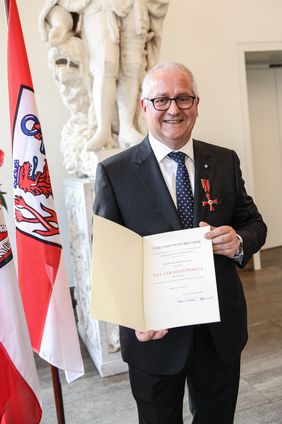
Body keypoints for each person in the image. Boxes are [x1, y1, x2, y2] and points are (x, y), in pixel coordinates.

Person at [93, 61, 267, 423]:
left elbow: (253, 224)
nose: (173, 109)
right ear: (144, 107)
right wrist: (131, 314)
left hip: (218, 330)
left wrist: (238, 242)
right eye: (161, 100)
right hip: (155, 336)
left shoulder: (223, 160)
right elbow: (109, 258)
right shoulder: (115, 171)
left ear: (197, 104)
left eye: (183, 98)